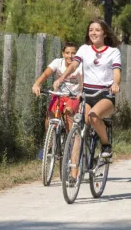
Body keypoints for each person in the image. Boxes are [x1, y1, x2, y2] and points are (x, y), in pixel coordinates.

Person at [53, 20, 121, 177]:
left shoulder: (113, 52)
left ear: (104, 33)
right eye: (91, 30)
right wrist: (62, 77)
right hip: (87, 95)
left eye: (97, 30)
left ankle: (105, 145)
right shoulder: (84, 49)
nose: (94, 33)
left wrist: (115, 83)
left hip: (105, 94)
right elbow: (73, 66)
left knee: (93, 116)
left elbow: (117, 72)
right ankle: (74, 173)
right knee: (79, 129)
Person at [32, 41, 82, 133]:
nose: (70, 56)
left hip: (73, 96)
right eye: (67, 53)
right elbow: (46, 74)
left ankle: (70, 142)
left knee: (68, 112)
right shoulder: (58, 62)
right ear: (63, 54)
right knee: (50, 116)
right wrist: (37, 84)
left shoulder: (80, 66)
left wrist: (81, 94)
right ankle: (49, 145)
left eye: (73, 53)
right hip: (59, 94)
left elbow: (83, 82)